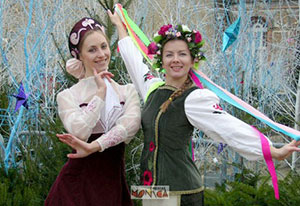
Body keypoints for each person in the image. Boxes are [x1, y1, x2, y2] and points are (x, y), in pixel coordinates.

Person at [109, 10, 300, 206]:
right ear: (161, 60)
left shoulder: (194, 99)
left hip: (182, 192)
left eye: (182, 54)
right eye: (169, 54)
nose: (176, 59)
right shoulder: (153, 89)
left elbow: (228, 128)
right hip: (153, 192)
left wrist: (270, 150)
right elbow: (135, 62)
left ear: (192, 60)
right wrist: (120, 27)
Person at [45, 13, 141, 206]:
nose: (101, 54)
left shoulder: (127, 91)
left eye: (104, 46)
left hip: (113, 183)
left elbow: (129, 128)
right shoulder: (68, 96)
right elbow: (80, 131)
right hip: (76, 187)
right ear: (79, 55)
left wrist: (94, 147)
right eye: (92, 50)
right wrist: (100, 93)